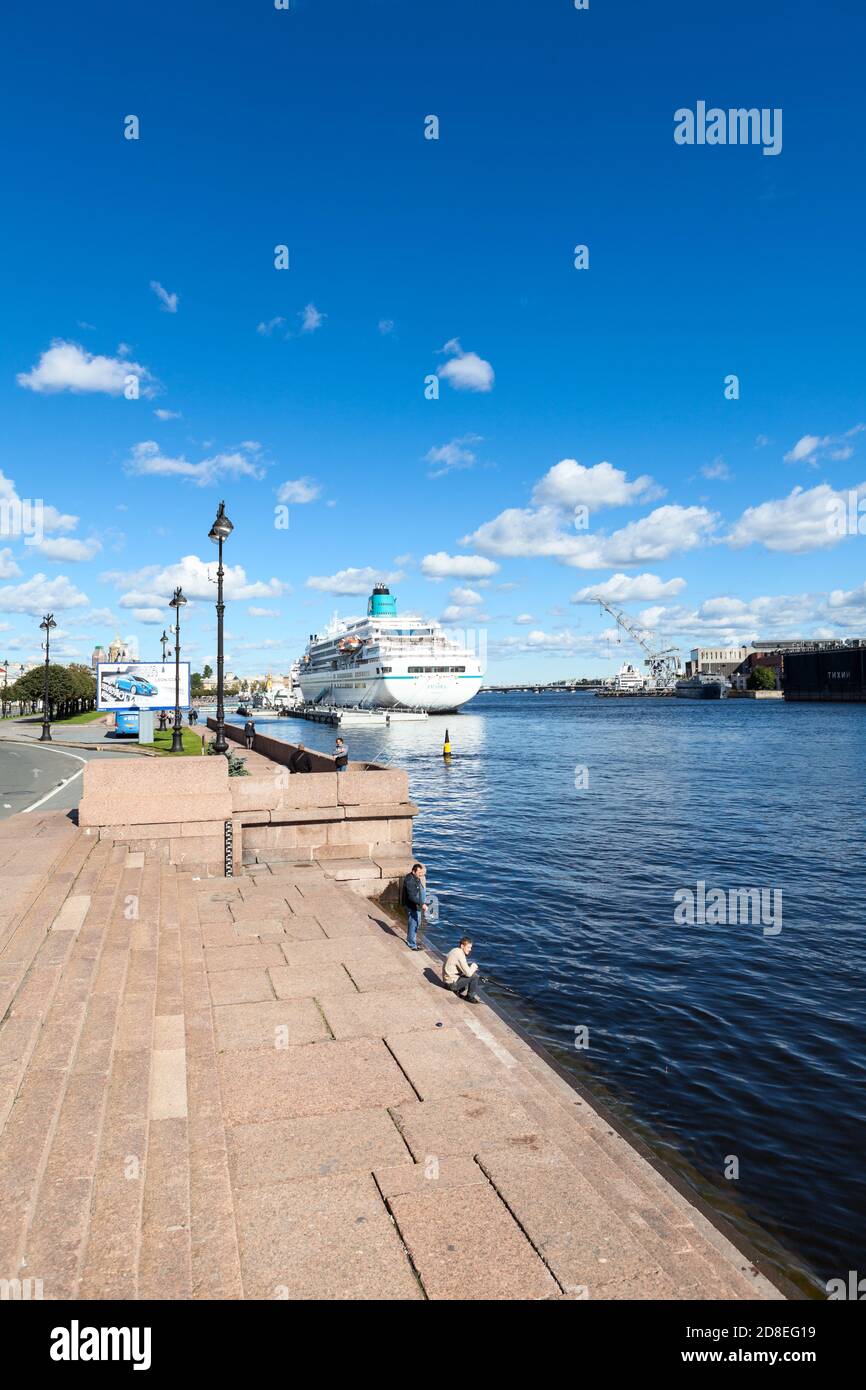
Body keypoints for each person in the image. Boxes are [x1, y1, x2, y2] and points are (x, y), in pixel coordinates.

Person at [443, 937, 480, 1002]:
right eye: (468, 947)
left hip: (447, 981)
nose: (470, 949)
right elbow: (468, 974)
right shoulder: (460, 955)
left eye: (471, 947)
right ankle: (470, 997)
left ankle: (458, 991)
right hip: (451, 984)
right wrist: (473, 967)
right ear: (462, 946)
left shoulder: (455, 950)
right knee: (475, 976)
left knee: (466, 975)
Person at [402, 862, 426, 951]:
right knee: (413, 924)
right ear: (413, 871)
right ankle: (411, 944)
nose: (421, 874)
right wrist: (422, 904)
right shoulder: (410, 881)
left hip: (417, 906)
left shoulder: (415, 877)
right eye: (419, 873)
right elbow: (411, 896)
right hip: (413, 906)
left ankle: (413, 940)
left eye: (421, 872)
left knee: (417, 923)